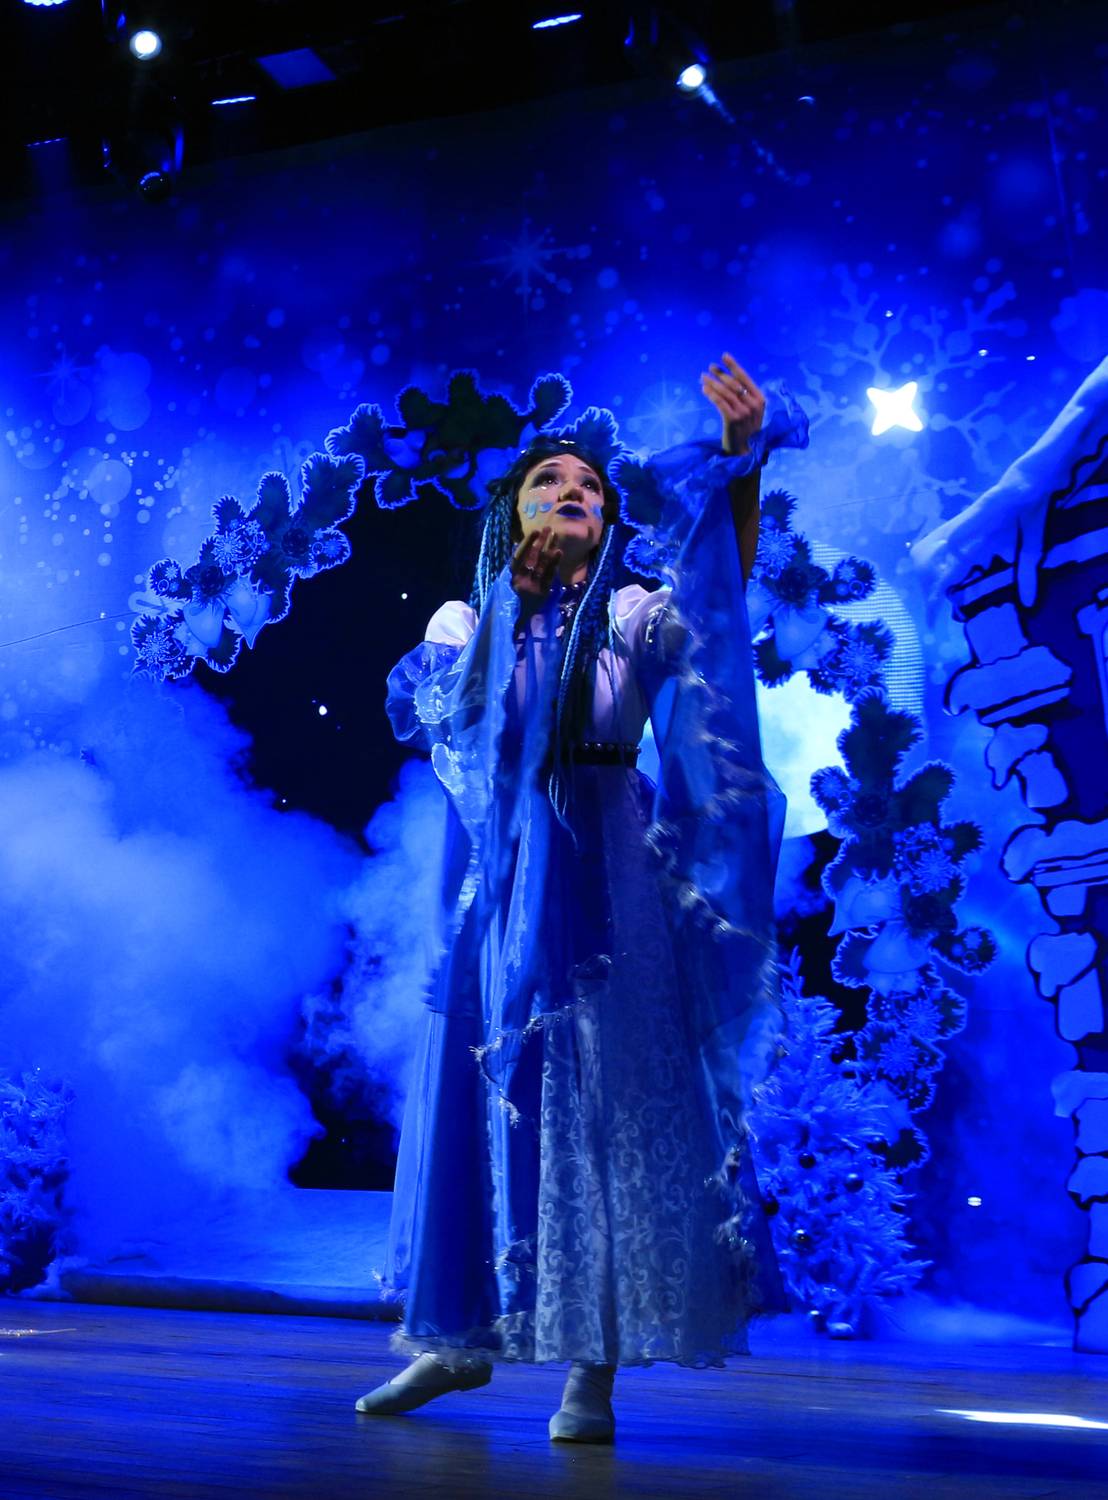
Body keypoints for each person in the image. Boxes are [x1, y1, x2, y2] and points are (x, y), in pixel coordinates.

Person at [357, 355, 805, 1442]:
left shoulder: (634, 615)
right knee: (486, 1095)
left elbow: (717, 609)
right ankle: (454, 1342)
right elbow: (456, 728)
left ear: (607, 523)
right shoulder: (462, 620)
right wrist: (513, 603)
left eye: (591, 487)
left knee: (602, 1109)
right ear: (511, 513)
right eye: (548, 480)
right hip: (501, 887)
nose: (574, 491)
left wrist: (738, 471)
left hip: (610, 876)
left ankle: (589, 1375)